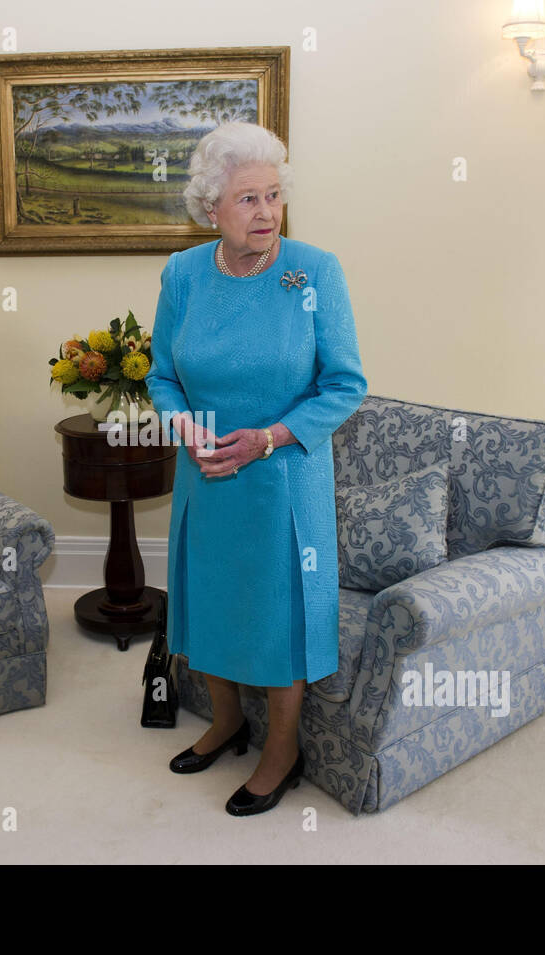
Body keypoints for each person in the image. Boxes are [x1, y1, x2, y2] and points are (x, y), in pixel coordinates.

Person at [144, 121, 367, 816]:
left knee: (277, 619)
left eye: (274, 196)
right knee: (208, 604)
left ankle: (282, 750)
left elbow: (344, 384)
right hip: (207, 478)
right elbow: (161, 377)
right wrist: (186, 423)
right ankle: (227, 721)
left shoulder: (315, 272)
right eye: (247, 199)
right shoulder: (182, 274)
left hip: (282, 480)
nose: (266, 213)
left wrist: (268, 437)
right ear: (212, 208)